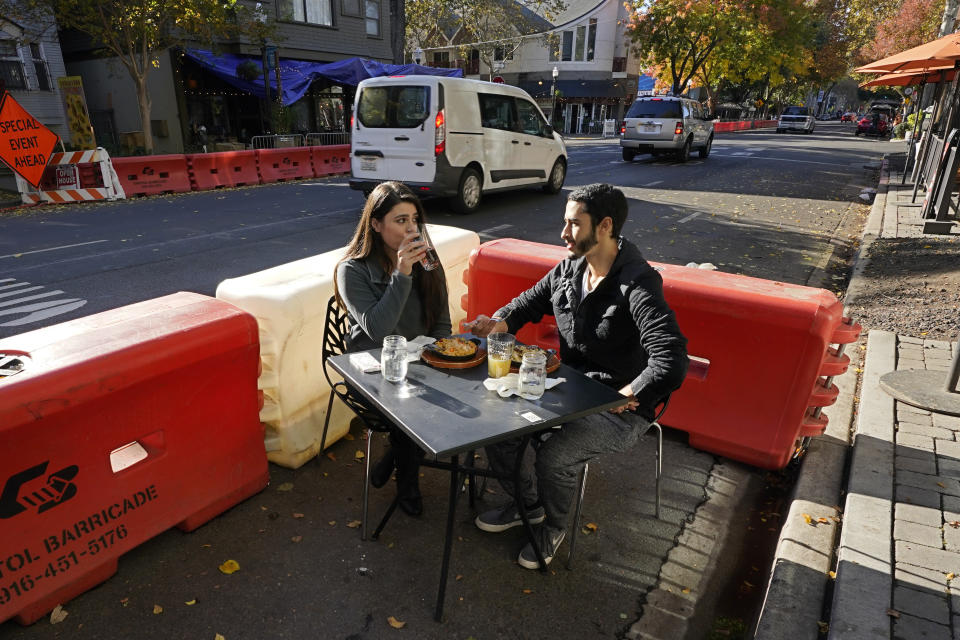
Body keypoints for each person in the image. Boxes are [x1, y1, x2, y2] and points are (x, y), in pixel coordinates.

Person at [464, 183, 688, 569]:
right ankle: (528, 504)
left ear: (604, 226)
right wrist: (498, 322)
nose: (563, 233)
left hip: (621, 408)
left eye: (573, 224)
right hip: (567, 388)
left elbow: (671, 358)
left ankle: (553, 526)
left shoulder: (637, 283)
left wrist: (631, 391)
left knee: (554, 456)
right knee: (495, 428)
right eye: (564, 223)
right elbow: (526, 304)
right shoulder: (569, 268)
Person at [334, 181, 452, 516]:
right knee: (410, 405)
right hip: (371, 365)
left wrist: (441, 357)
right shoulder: (353, 269)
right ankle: (408, 482)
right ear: (376, 224)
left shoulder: (427, 260)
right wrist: (402, 273)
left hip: (419, 360)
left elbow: (441, 321)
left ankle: (394, 455)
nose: (411, 228)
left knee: (458, 396)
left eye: (414, 219)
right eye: (401, 220)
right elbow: (378, 329)